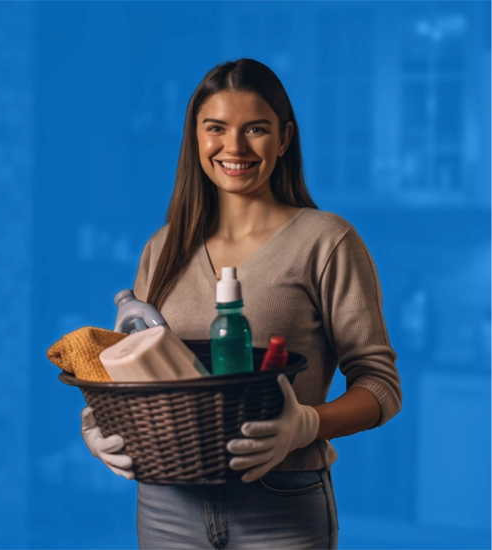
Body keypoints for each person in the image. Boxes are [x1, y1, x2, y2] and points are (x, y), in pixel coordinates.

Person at [80, 58, 402, 549]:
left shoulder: (326, 242)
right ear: (195, 138)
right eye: (217, 129)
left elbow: (380, 385)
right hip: (166, 506)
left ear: (284, 138)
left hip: (281, 505)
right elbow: (130, 374)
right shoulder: (162, 248)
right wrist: (99, 424)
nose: (234, 147)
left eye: (256, 129)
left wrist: (307, 425)